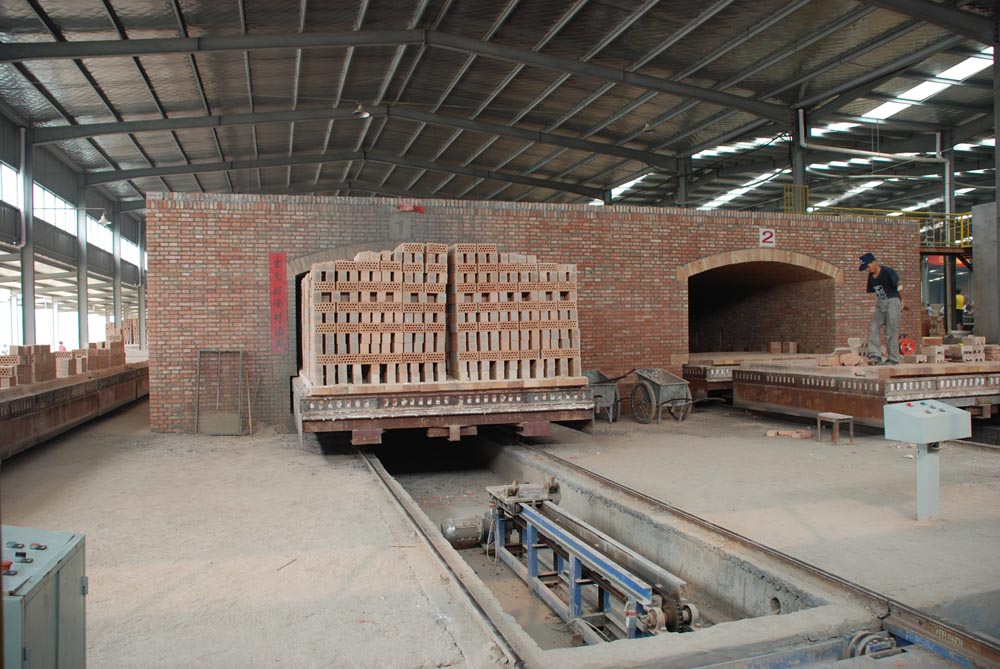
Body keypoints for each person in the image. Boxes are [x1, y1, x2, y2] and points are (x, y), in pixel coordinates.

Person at [859, 252, 901, 366]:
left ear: (874, 262)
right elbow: (871, 290)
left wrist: (902, 302)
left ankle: (893, 359)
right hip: (881, 303)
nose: (867, 270)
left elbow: (899, 285)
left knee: (890, 331)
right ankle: (875, 355)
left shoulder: (888, 272)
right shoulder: (871, 277)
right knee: (874, 326)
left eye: (867, 266)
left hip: (892, 301)